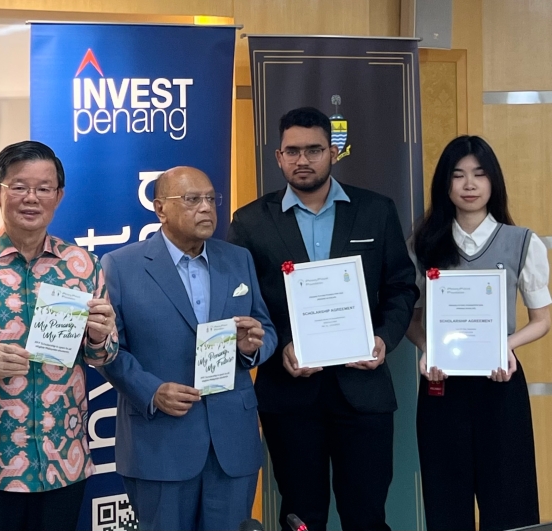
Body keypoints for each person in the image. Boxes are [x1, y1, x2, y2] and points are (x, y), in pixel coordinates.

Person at [227, 107, 418, 531]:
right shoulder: (251, 222)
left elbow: (402, 287)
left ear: (333, 152)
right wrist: (280, 349)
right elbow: (239, 305)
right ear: (278, 157)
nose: (303, 160)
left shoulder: (374, 210)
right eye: (292, 151)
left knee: (366, 515)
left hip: (363, 391)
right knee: (301, 517)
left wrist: (384, 339)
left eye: (314, 149)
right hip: (290, 393)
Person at [0, 140, 118, 531]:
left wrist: (102, 338)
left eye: (43, 188)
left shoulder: (84, 266)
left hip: (62, 461)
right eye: (18, 186)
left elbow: (102, 357)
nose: (31, 198)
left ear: (59, 195)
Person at [98, 166, 276, 531]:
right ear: (160, 208)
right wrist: (151, 391)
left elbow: (266, 329)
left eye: (211, 199)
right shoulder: (120, 266)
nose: (206, 208)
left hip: (232, 444)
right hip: (161, 442)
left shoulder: (238, 259)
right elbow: (105, 349)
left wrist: (250, 348)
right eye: (192, 199)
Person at [405, 135, 549, 531]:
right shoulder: (423, 243)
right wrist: (427, 347)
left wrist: (506, 346)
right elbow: (411, 318)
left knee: (511, 503)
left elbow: (542, 319)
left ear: (493, 182)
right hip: (441, 388)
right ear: (445, 184)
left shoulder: (522, 242)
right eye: (458, 175)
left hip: (500, 384)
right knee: (445, 503)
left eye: (479, 174)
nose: (469, 184)